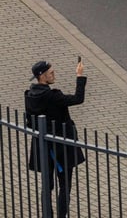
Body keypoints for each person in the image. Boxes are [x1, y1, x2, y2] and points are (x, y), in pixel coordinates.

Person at [25, 59, 87, 218]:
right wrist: (80, 76)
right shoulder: (53, 96)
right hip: (61, 147)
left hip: (43, 146)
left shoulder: (30, 95)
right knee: (65, 185)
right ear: (42, 76)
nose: (54, 75)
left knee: (47, 185)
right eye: (51, 73)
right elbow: (78, 98)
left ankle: (48, 215)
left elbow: (30, 123)